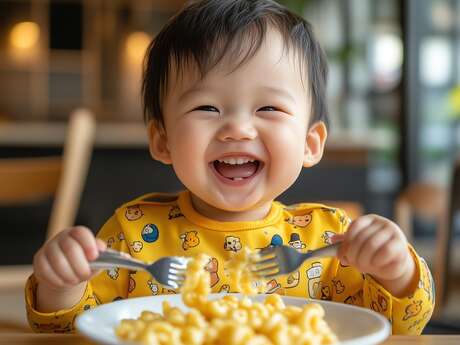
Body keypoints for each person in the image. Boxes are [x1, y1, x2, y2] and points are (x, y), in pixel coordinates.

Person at [26, 0, 434, 335]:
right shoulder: (133, 234)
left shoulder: (327, 240)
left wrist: (396, 271)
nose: (237, 129)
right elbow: (66, 328)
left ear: (311, 144)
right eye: (207, 107)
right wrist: (62, 283)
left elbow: (404, 326)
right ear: (162, 140)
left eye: (269, 108)